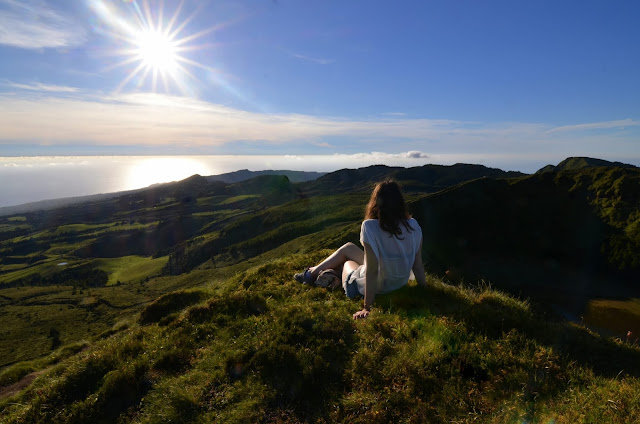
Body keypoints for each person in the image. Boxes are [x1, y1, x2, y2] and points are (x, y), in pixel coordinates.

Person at [294, 180, 427, 319]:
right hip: (398, 282)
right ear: (400, 202)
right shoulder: (413, 225)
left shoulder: (370, 226)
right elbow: (417, 264)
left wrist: (367, 307)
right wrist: (424, 289)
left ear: (376, 202)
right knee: (349, 248)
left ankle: (317, 276)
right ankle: (317, 272)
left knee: (346, 263)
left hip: (377, 286)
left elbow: (372, 269)